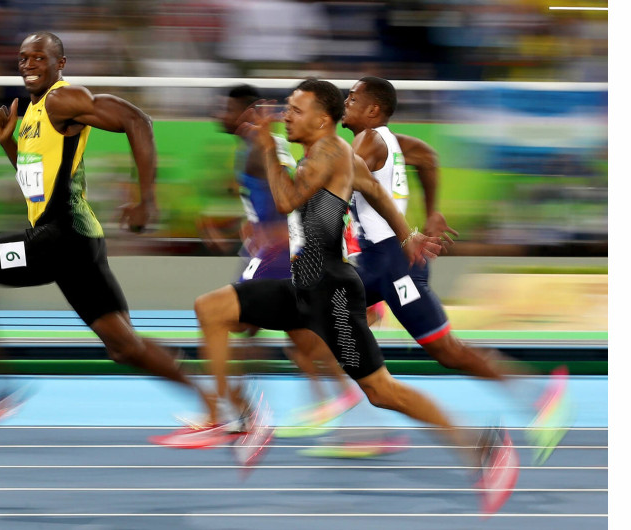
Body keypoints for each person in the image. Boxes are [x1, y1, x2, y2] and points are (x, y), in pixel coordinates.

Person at [155, 78, 519, 514]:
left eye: (295, 109)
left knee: (382, 392)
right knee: (211, 308)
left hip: (331, 294)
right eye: (286, 107)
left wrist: (270, 149)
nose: (285, 115)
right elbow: (378, 192)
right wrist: (410, 235)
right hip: (302, 285)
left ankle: (485, 447)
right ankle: (231, 418)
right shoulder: (340, 155)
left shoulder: (328, 153)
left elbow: (288, 199)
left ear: (322, 120)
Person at [0, 31, 214, 435]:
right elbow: (38, 185)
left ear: (59, 64)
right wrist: (9, 145)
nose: (29, 65)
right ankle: (217, 407)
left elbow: (138, 120)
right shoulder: (29, 115)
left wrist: (145, 199)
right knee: (124, 347)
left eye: (39, 58)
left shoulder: (63, 99)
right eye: (23, 58)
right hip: (74, 244)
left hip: (58, 238)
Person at [340, 76, 572, 465]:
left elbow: (341, 187)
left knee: (448, 351)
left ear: (373, 110)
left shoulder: (366, 142)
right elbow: (428, 157)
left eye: (352, 97)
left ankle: (540, 398)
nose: (345, 101)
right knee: (333, 319)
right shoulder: (393, 142)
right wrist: (432, 213)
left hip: (395, 266)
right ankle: (367, 422)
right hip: (377, 264)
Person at [214, 84, 362, 433]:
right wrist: (241, 225)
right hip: (270, 250)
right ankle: (336, 398)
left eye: (227, 108)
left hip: (277, 253)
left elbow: (289, 197)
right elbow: (265, 201)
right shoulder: (251, 148)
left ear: (248, 112)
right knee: (296, 337)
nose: (219, 114)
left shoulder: (261, 148)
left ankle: (236, 410)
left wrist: (277, 234)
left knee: (232, 320)